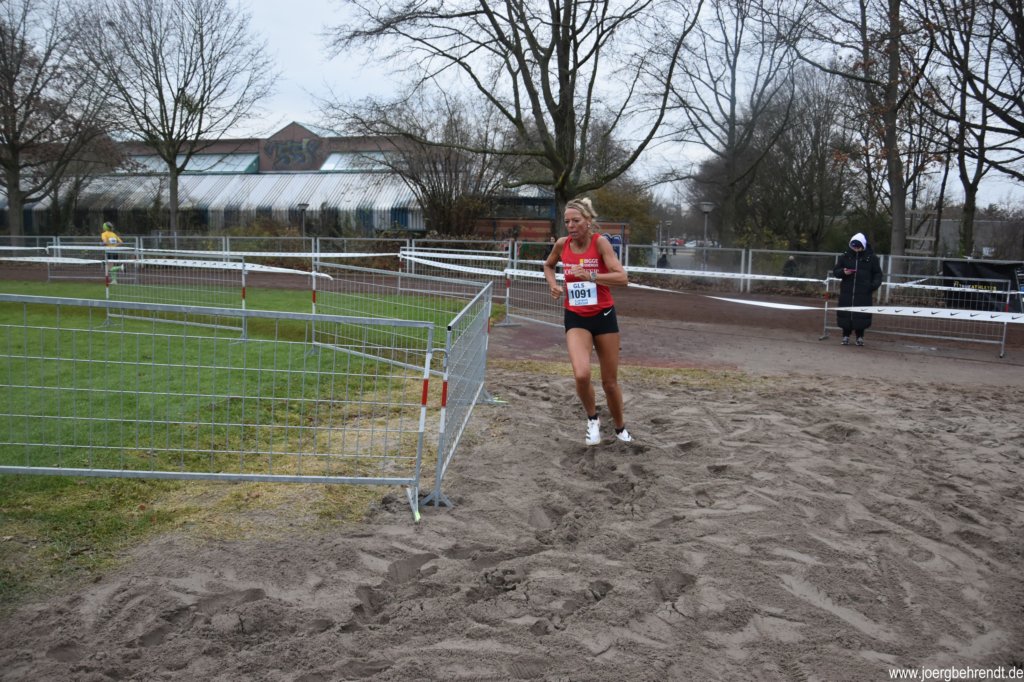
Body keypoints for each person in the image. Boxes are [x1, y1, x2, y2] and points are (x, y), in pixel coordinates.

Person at [543, 197, 632, 445]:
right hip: (576, 317)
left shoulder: (600, 243)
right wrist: (553, 284)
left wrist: (591, 275)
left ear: (588, 221)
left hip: (603, 316)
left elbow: (622, 278)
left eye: (576, 221)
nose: (571, 226)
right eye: (567, 222)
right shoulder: (562, 244)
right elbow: (548, 266)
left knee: (609, 382)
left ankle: (620, 428)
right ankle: (593, 419)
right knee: (581, 375)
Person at [832, 232, 882, 346]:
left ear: (863, 245)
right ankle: (845, 335)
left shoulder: (872, 258)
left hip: (864, 293)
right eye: (854, 246)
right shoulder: (844, 257)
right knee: (846, 314)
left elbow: (878, 274)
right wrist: (843, 272)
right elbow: (836, 271)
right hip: (847, 292)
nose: (856, 249)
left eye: (858, 246)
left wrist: (873, 285)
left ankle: (860, 337)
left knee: (861, 315)